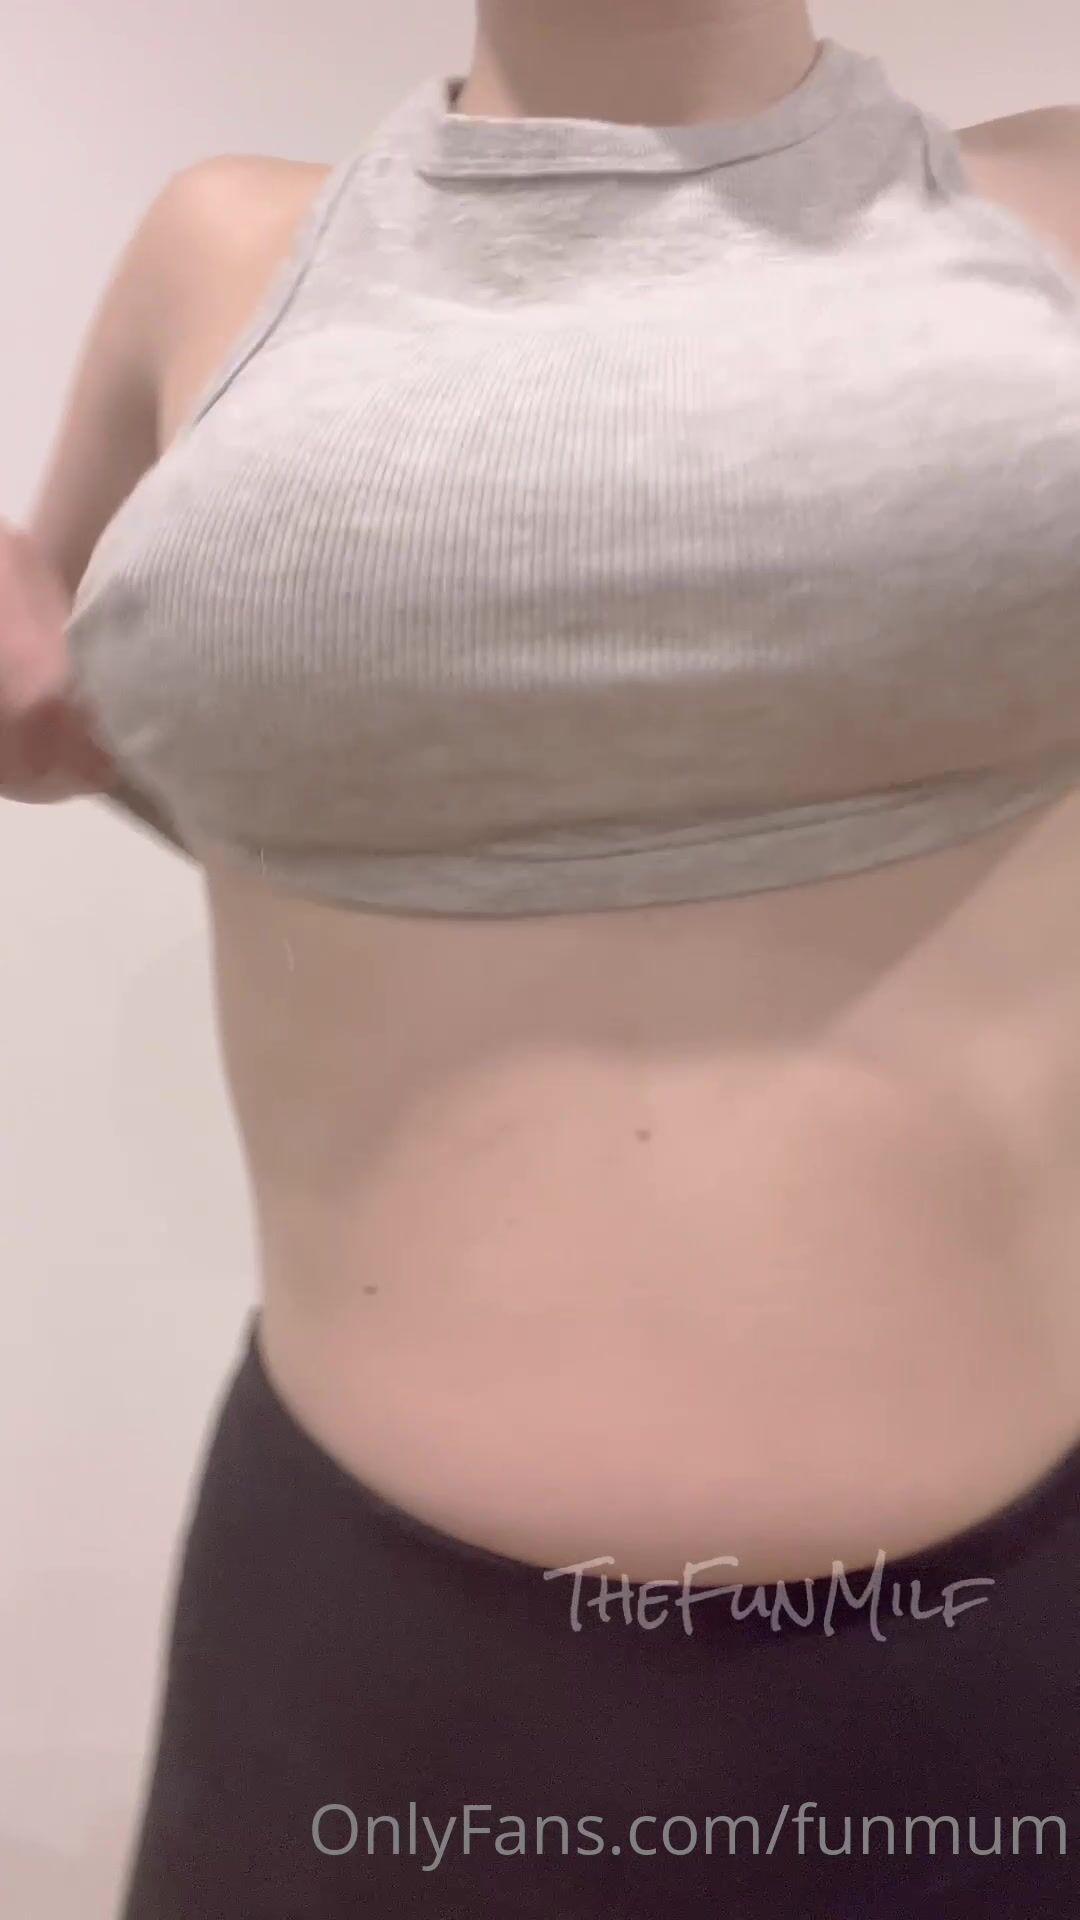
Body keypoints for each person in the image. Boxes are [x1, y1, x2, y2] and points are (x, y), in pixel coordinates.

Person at [3, 1, 1079, 1913]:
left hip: (995, 1668)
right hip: (357, 1672)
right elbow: (55, 679)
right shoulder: (223, 243)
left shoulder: (1054, 202)